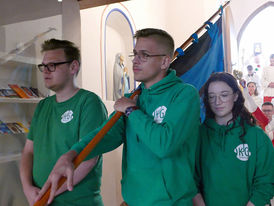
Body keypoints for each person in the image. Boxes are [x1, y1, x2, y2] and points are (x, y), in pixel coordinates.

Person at [36, 28, 201, 206]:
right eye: (135, 54)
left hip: (170, 202)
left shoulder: (184, 94)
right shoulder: (134, 96)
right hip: (133, 200)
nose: (135, 61)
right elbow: (105, 134)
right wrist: (71, 154)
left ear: (165, 61)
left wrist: (132, 111)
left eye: (144, 55)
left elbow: (165, 145)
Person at [19, 39, 108, 206]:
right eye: (43, 66)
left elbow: (88, 160)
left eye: (52, 65)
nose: (45, 71)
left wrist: (46, 196)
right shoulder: (43, 106)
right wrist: (27, 188)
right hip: (40, 200)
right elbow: (28, 151)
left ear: (73, 67)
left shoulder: (89, 103)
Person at [193, 72, 274, 206]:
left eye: (224, 95)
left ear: (236, 96)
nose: (217, 102)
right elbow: (189, 178)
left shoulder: (256, 136)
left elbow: (267, 180)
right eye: (212, 96)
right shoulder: (198, 136)